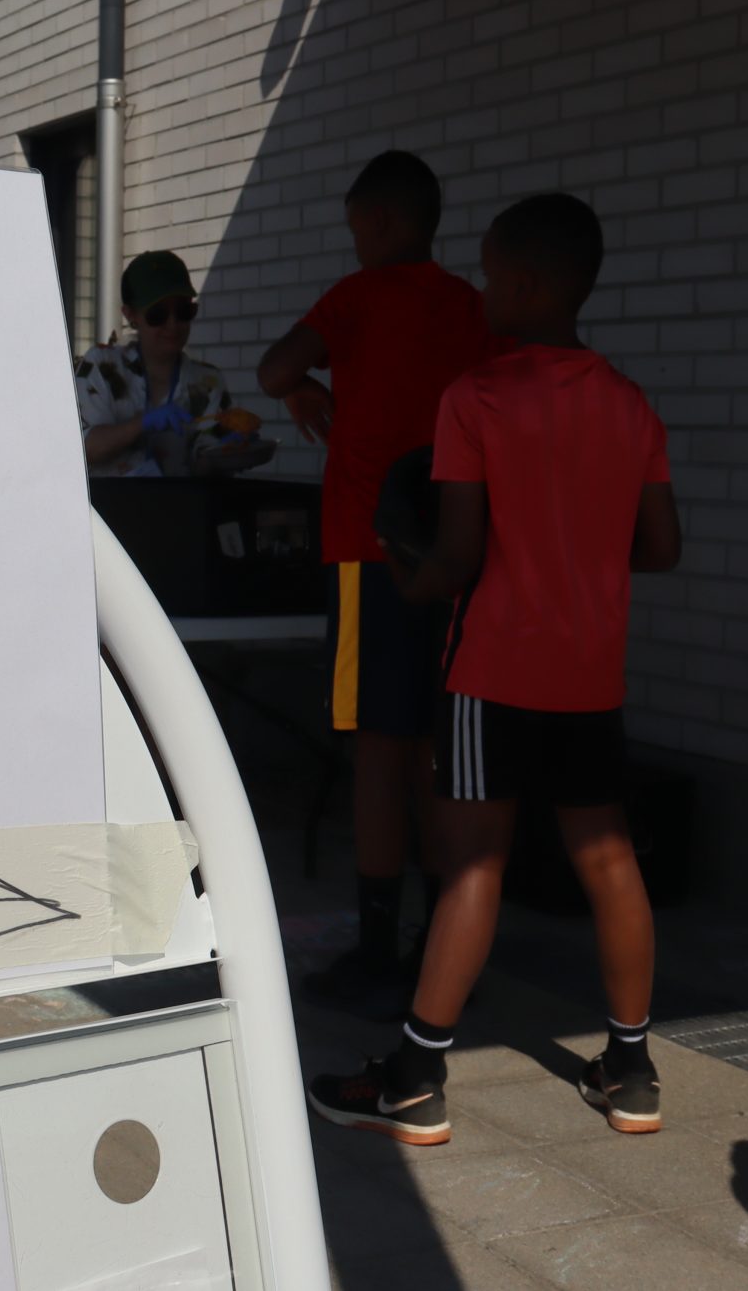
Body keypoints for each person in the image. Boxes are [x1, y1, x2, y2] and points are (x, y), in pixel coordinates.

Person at [308, 192, 683, 1147]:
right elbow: (662, 546)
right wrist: (579, 547)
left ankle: (413, 1080)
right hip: (589, 674)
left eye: (488, 276)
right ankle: (631, 1070)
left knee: (473, 865)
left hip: (491, 673)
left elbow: (456, 558)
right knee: (610, 860)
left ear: (525, 283)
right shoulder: (629, 403)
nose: (480, 292)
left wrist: (404, 572)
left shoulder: (473, 397)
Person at [255, 151, 508, 1017]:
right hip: (457, 552)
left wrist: (303, 392)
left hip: (371, 551)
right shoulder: (470, 305)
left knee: (376, 748)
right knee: (434, 747)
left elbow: (274, 369)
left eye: (358, 227)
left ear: (384, 223)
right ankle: (443, 939)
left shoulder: (356, 300)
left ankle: (374, 946)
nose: (356, 242)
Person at [76, 251, 237, 478]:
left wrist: (229, 452)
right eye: (157, 314)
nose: (173, 324)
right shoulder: (102, 366)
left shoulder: (208, 382)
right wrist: (141, 424)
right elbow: (81, 450)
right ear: (130, 315)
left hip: (179, 501)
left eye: (183, 311)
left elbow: (206, 473)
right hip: (110, 501)